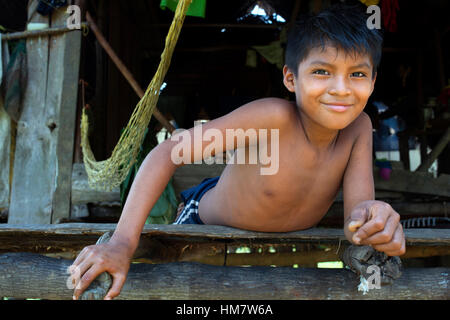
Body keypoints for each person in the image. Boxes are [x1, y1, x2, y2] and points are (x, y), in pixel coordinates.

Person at [70, 3, 405, 300]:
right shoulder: (273, 117)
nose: (341, 88)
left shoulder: (359, 128)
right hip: (201, 218)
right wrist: (121, 243)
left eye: (357, 74)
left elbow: (357, 217)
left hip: (286, 236)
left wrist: (376, 223)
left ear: (373, 81)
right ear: (291, 78)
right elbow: (169, 151)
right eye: (322, 72)